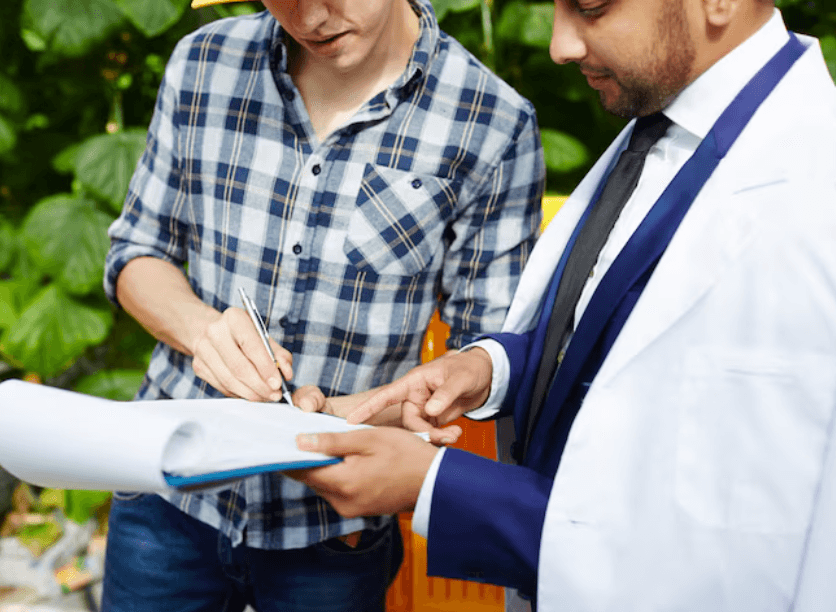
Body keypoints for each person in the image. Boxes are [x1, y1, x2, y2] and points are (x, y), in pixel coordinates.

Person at [289, 0, 836, 610]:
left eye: (593, 7)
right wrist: (491, 369)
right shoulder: (666, 122)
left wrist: (433, 485)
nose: (559, 46)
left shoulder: (813, 210)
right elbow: (621, 339)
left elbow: (728, 560)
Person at [100, 0, 544, 608]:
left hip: (336, 532)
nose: (311, 17)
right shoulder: (203, 61)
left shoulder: (492, 122)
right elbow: (136, 251)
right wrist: (203, 331)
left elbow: (488, 350)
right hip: (167, 492)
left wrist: (367, 412)